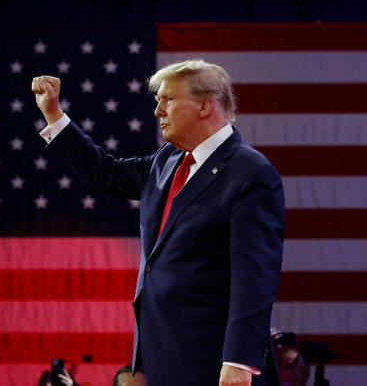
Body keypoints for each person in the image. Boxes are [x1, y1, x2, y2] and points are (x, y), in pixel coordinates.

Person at [31, 59, 285, 386]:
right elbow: (105, 172)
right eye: (158, 101)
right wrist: (53, 114)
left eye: (168, 99)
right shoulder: (168, 159)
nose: (158, 111)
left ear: (205, 105)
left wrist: (239, 362)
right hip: (163, 350)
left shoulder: (251, 174)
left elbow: (255, 279)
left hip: (214, 359)